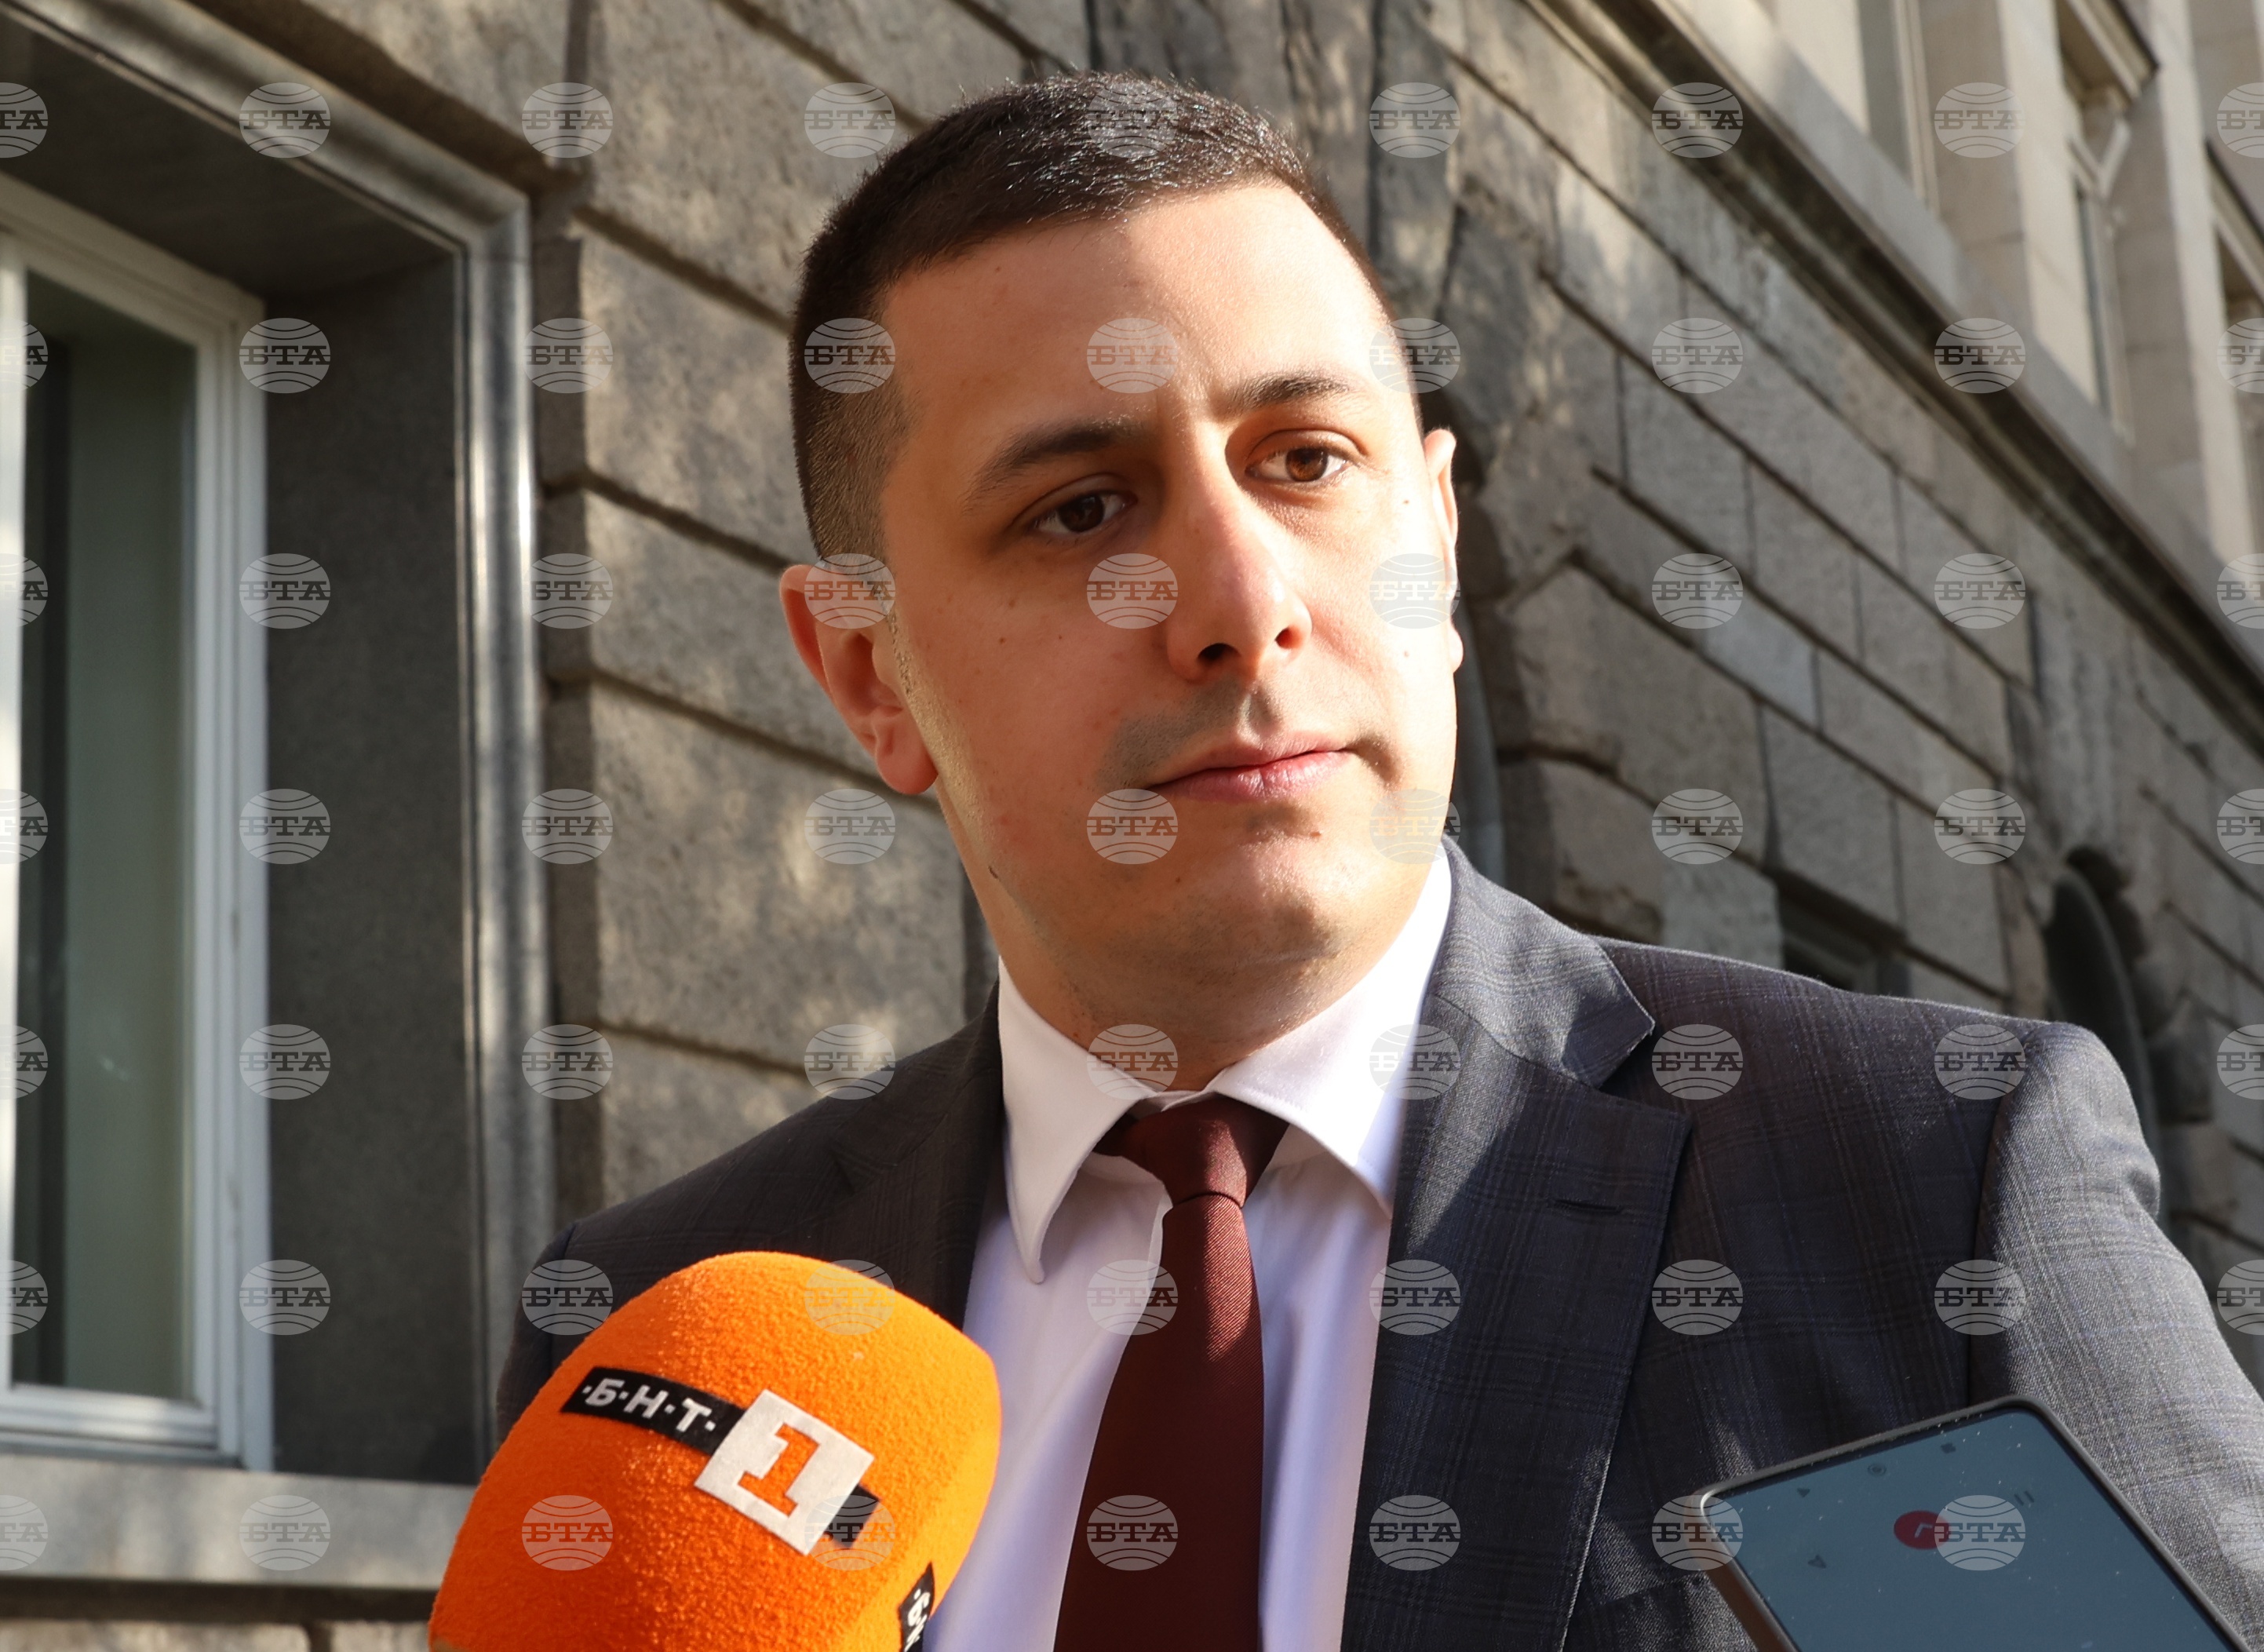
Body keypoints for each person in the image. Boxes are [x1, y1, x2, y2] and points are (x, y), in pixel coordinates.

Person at [497, 71, 2264, 1648]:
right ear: (872, 674)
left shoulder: (1930, 1180)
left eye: (1307, 459)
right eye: (1079, 509)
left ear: (1434, 534)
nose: (1240, 600)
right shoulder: (648, 1329)